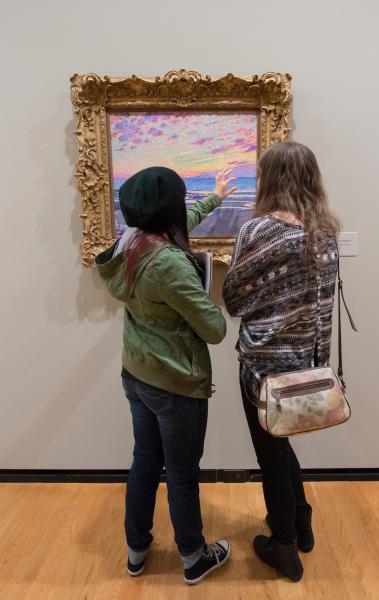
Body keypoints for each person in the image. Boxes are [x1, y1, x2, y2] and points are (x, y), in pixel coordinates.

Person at [95, 166, 237, 585]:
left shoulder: (130, 242)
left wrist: (215, 198)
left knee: (144, 463)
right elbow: (214, 328)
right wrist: (207, 293)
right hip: (174, 384)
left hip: (137, 375)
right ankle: (194, 558)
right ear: (168, 210)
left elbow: (176, 227)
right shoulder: (169, 264)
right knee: (181, 475)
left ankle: (136, 550)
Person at [222, 142, 341, 582]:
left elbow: (233, 299)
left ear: (267, 178)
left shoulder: (258, 231)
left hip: (263, 367)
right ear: (312, 177)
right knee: (281, 441)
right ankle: (302, 521)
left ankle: (285, 548)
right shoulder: (325, 230)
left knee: (269, 452)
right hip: (307, 365)